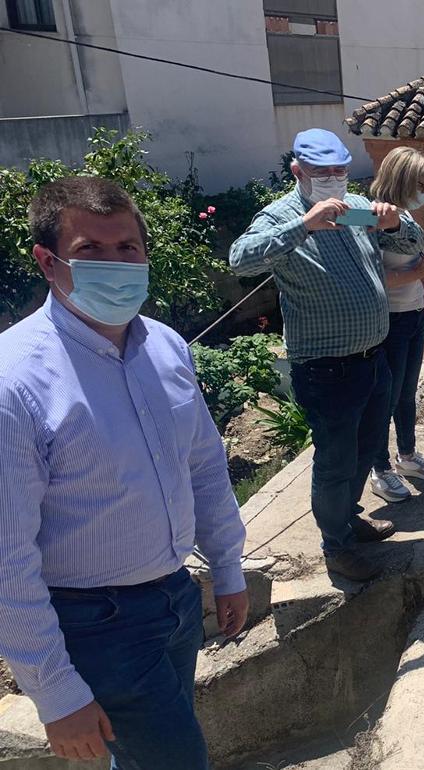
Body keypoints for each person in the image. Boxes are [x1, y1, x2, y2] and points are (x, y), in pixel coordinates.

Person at [0, 176, 249, 768]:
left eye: (126, 248)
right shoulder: (15, 382)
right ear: (47, 261)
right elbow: (7, 558)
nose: (115, 263)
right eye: (90, 250)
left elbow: (205, 466)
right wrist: (57, 695)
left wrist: (227, 565)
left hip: (174, 601)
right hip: (93, 624)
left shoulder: (164, 346)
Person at [229, 129, 424, 582]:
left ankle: (349, 519)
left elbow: (410, 244)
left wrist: (394, 223)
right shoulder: (282, 216)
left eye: (339, 170)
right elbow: (241, 259)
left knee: (364, 451)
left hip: (373, 358)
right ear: (298, 171)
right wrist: (306, 224)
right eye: (322, 173)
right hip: (327, 369)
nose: (334, 179)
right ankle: (336, 547)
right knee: (336, 461)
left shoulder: (356, 209)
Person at [365, 147, 424, 504]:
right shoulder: (374, 218)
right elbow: (374, 277)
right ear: (403, 180)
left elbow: (421, 257)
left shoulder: (409, 215)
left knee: (408, 393)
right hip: (389, 319)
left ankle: (408, 456)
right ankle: (380, 469)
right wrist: (417, 275)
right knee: (385, 397)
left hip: (412, 313)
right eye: (422, 184)